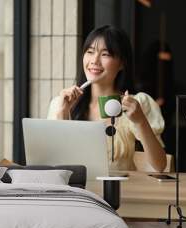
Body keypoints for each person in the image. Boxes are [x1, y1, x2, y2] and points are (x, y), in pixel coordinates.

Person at [47, 25, 167, 172]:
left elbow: (160, 165)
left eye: (105, 54)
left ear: (122, 63)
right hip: (76, 192)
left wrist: (140, 121)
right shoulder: (61, 104)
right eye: (90, 52)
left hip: (119, 191)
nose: (94, 60)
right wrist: (62, 115)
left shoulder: (137, 104)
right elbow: (53, 165)